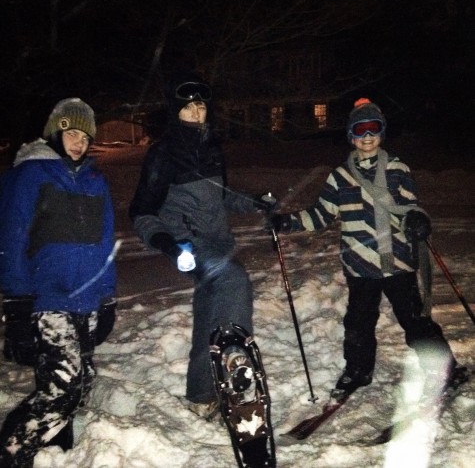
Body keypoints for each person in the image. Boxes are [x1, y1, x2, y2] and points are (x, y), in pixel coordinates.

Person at [272, 98, 466, 398]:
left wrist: (416, 220)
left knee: (415, 321)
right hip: (359, 267)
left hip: (397, 263)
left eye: (373, 128)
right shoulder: (339, 177)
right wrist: (287, 224)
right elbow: (321, 214)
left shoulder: (397, 168)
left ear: (381, 132)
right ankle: (358, 370)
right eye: (360, 130)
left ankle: (444, 369)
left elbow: (409, 206)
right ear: (351, 136)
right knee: (359, 324)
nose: (366, 136)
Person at [129, 72, 275, 419]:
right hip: (188, 246)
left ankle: (200, 394)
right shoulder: (163, 154)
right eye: (188, 108)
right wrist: (167, 243)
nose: (196, 113)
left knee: (209, 314)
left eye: (200, 107)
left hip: (218, 242)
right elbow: (142, 210)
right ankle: (235, 357)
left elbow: (219, 197)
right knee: (233, 279)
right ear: (175, 112)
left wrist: (254, 202)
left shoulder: (210, 148)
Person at [0, 98, 117, 467]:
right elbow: (12, 239)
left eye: (85, 136)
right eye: (71, 133)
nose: (79, 142)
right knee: (64, 385)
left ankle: (56, 447)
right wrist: (16, 303)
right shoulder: (30, 174)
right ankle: (12, 451)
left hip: (87, 297)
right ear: (55, 132)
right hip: (46, 295)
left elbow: (106, 243)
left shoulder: (96, 181)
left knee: (79, 383)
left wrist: (108, 297)